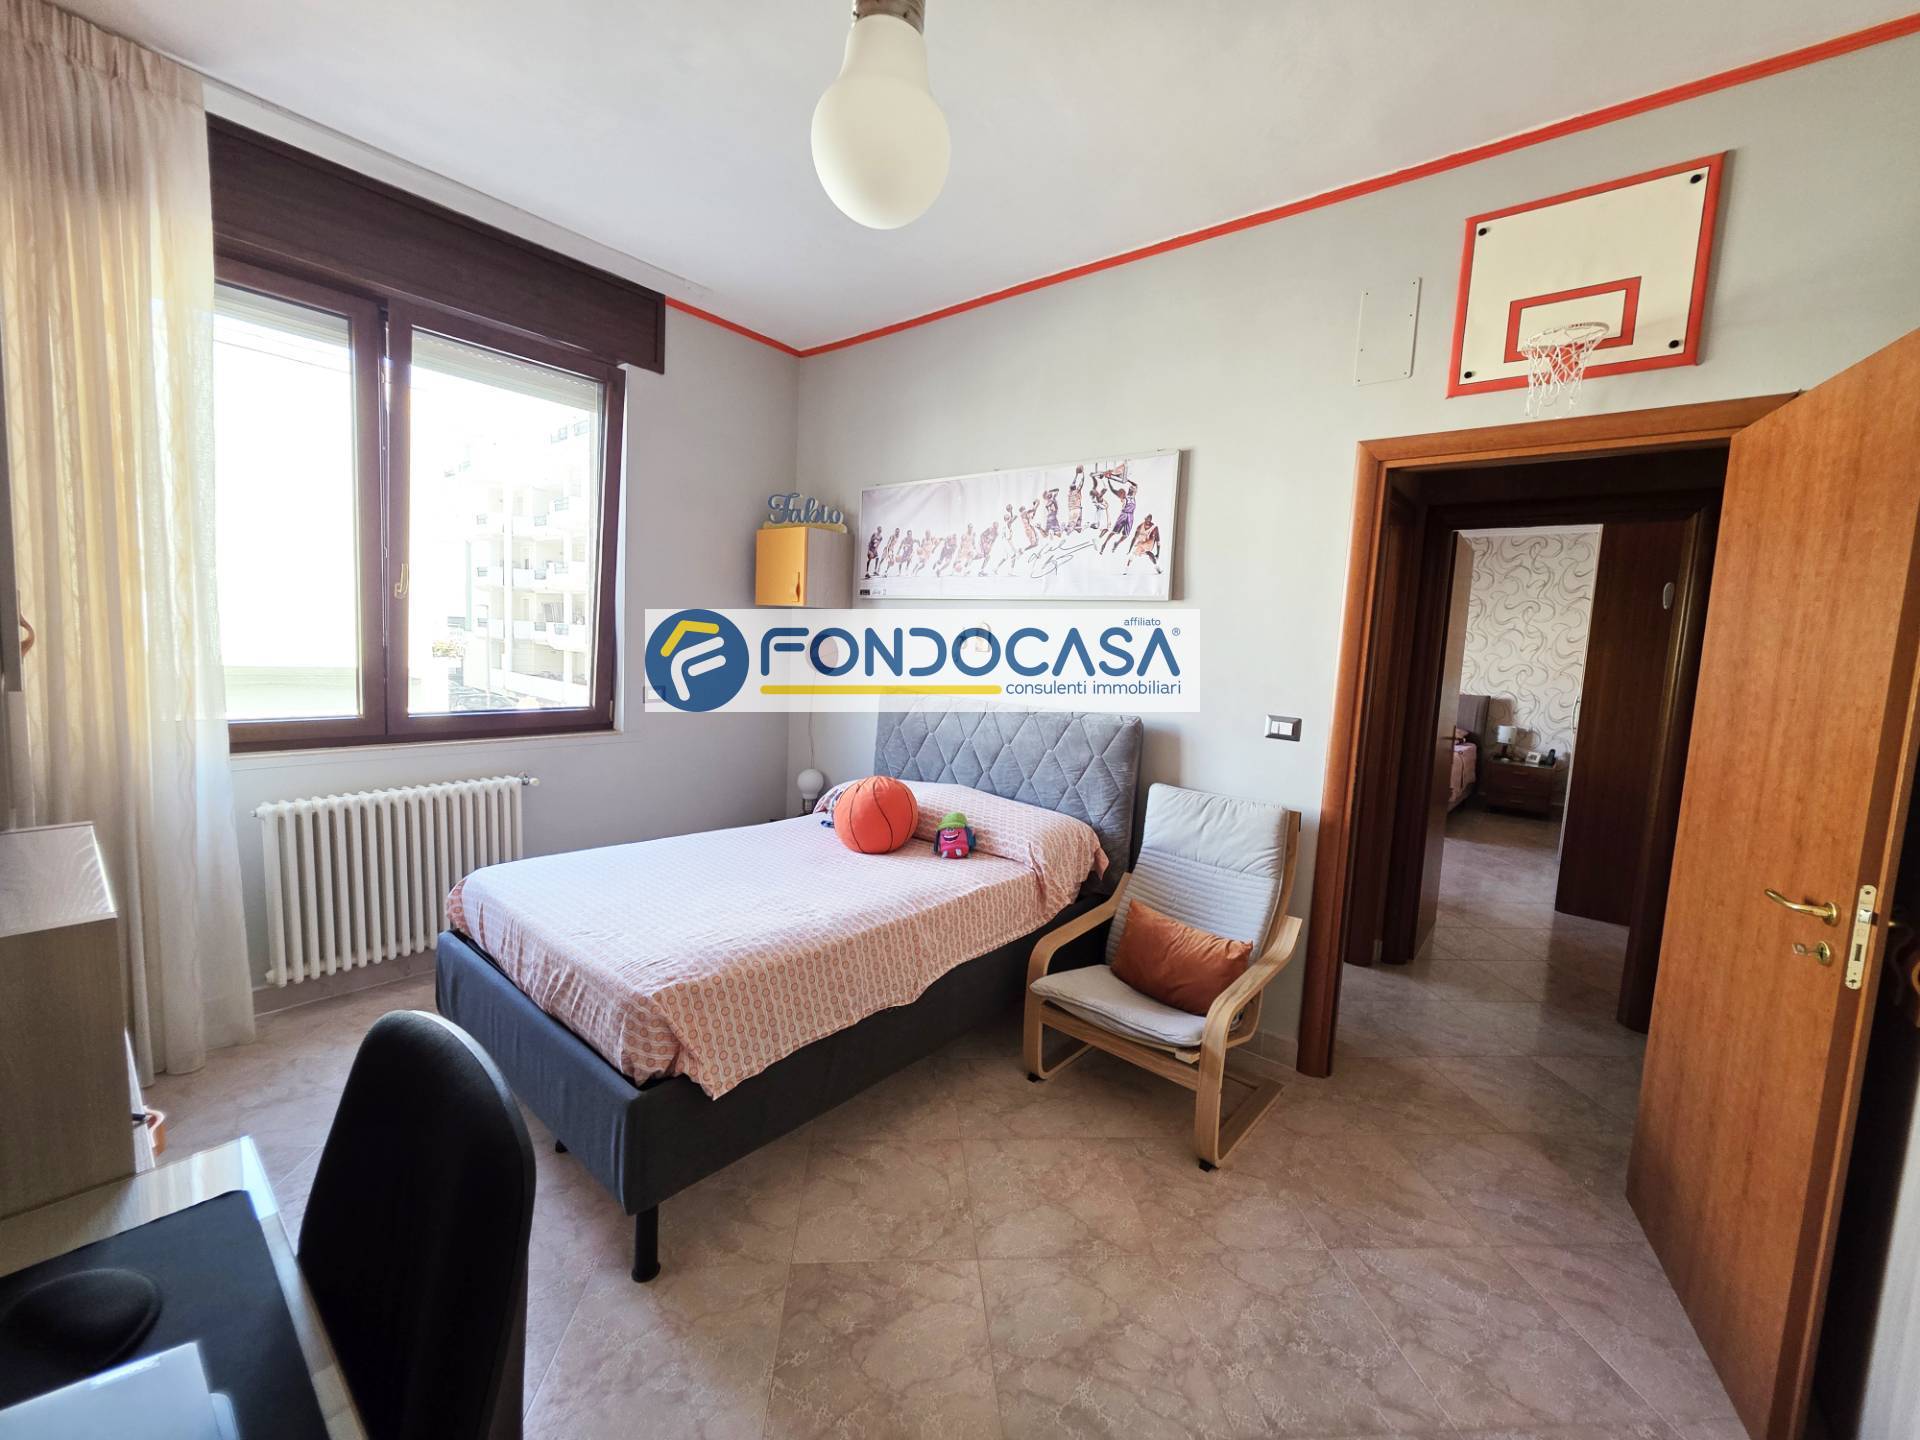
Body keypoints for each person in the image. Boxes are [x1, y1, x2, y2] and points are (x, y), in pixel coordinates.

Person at [1067, 467, 1085, 532]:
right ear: (1075, 487)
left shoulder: (1069, 493)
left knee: (1076, 526)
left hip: (1072, 509)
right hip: (1076, 509)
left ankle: (1070, 528)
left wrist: (1076, 475)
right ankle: (1068, 530)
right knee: (1073, 526)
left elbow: (1073, 483)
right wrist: (1083, 474)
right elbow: (1081, 483)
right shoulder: (1077, 491)